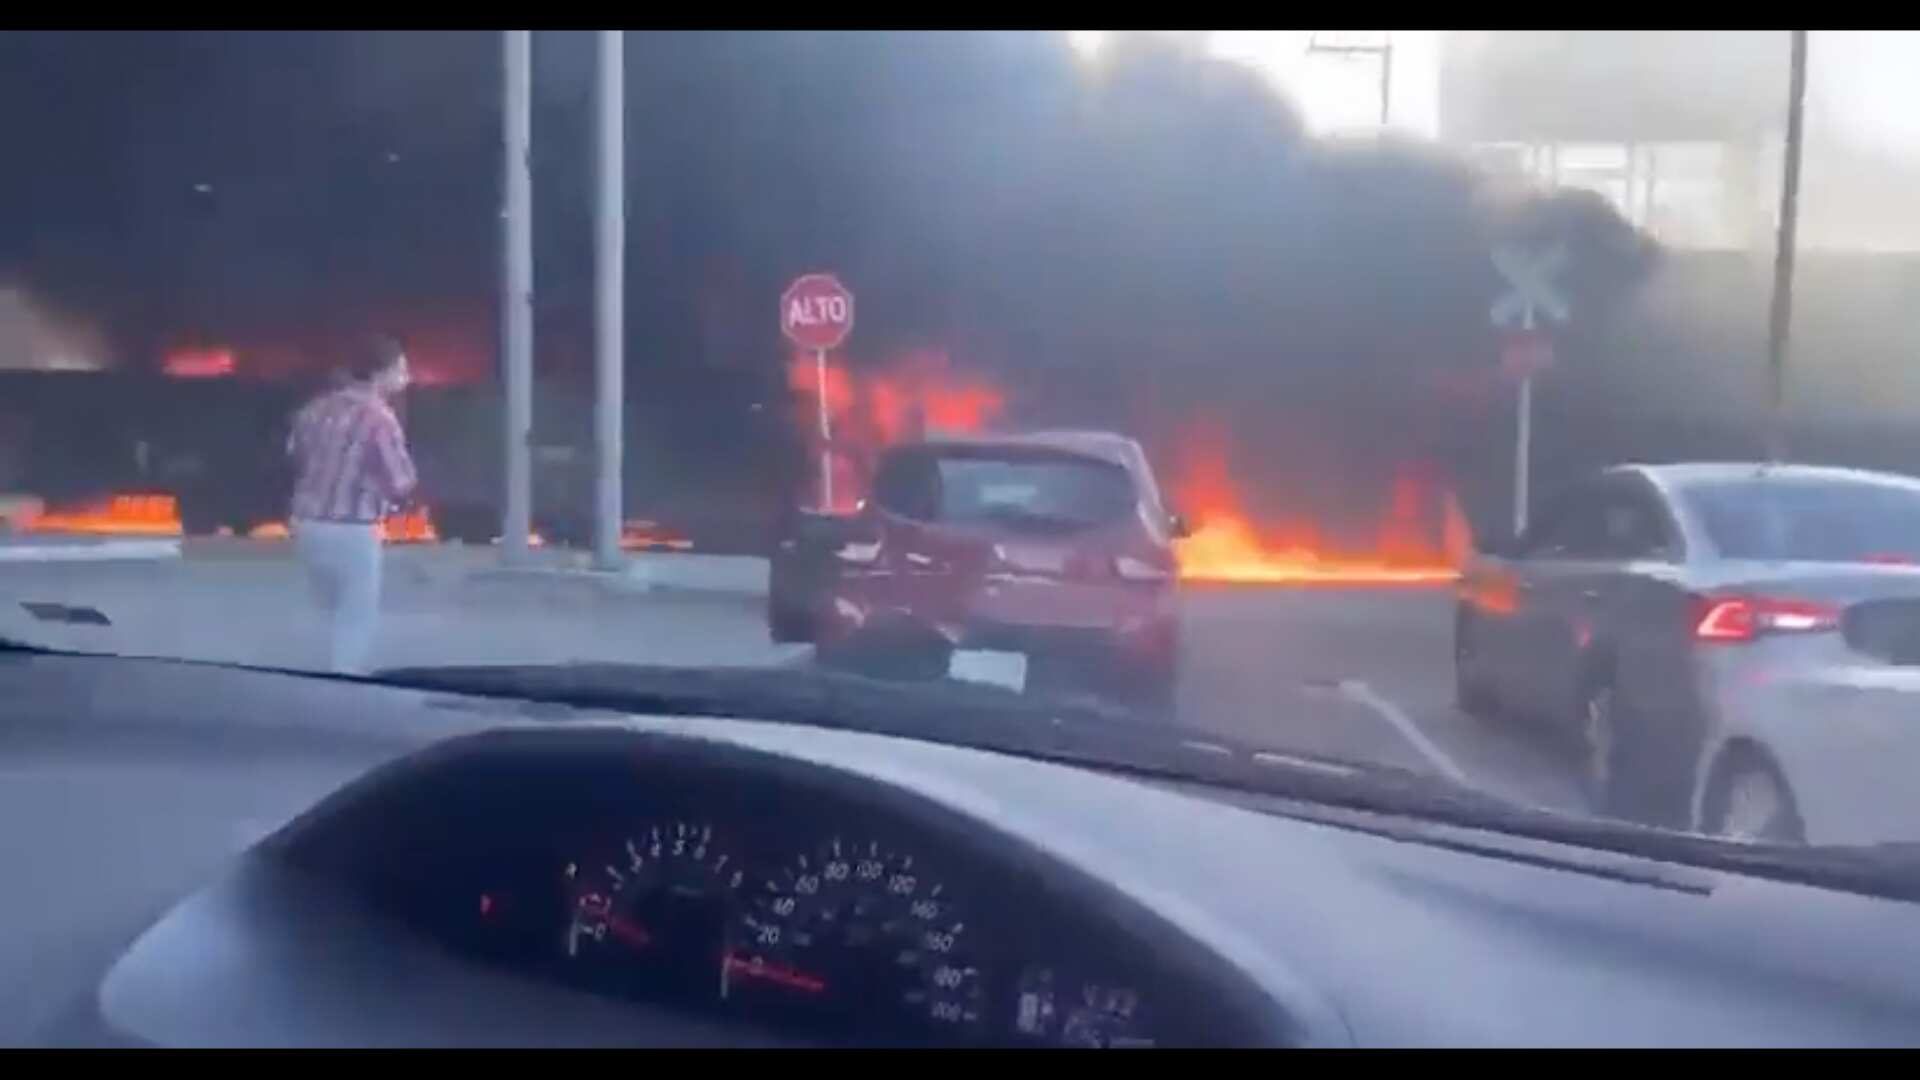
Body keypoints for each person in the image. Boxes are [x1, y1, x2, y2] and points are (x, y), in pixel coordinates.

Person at [286, 335, 416, 674]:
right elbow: (400, 482)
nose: (407, 378)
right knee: (355, 618)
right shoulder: (380, 419)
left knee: (323, 613)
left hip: (307, 526)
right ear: (379, 373)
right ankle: (344, 685)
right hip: (352, 532)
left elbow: (295, 457)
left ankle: (309, 679)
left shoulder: (315, 409)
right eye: (401, 370)